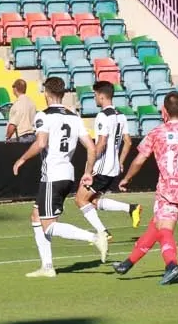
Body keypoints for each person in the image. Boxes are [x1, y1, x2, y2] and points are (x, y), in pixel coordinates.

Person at [11, 77, 109, 278]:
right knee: (37, 217)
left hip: (52, 176)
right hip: (68, 175)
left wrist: (21, 159)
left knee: (49, 225)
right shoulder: (74, 117)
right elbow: (91, 147)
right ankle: (47, 267)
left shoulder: (44, 116)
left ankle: (95, 237)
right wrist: (88, 172)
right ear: (63, 94)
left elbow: (40, 143)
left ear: (46, 93)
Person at [113, 91, 178, 286]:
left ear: (164, 111)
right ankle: (128, 263)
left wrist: (127, 179)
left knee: (164, 228)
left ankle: (172, 265)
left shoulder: (157, 133)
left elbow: (140, 159)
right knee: (156, 226)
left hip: (168, 192)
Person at [72, 81, 142, 237]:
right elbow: (128, 142)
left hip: (102, 168)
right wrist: (121, 162)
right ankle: (131, 208)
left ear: (102, 96)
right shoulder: (121, 116)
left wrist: (89, 169)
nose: (95, 98)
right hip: (113, 168)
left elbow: (102, 142)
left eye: (95, 95)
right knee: (92, 201)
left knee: (80, 200)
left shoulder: (103, 116)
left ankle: (103, 233)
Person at [5, 78, 36, 142]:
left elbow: (13, 125)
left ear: (15, 88)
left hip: (20, 138)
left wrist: (7, 137)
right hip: (32, 137)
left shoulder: (17, 104)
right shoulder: (32, 103)